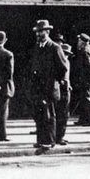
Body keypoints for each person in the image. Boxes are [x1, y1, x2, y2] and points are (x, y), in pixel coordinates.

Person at [29, 20, 69, 150]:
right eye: (37, 32)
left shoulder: (55, 47)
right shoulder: (37, 47)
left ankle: (49, 140)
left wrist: (54, 79)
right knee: (39, 114)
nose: (39, 34)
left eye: (41, 31)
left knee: (49, 114)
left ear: (47, 32)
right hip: (38, 87)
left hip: (49, 86)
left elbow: (63, 67)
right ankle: (41, 140)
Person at [73, 33, 90, 127]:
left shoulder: (84, 50)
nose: (78, 42)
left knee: (86, 98)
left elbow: (89, 65)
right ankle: (83, 118)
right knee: (84, 97)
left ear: (82, 41)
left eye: (79, 40)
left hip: (85, 77)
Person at [56, 43, 72, 145]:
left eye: (67, 54)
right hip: (60, 89)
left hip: (66, 89)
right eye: (64, 53)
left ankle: (61, 135)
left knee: (65, 114)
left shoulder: (67, 62)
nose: (65, 56)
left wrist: (68, 84)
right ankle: (58, 137)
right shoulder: (59, 62)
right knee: (61, 114)